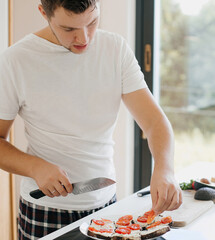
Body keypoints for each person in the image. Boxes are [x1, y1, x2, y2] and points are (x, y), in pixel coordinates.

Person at [0, 0, 182, 239]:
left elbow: (154, 122)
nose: (84, 38)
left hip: (107, 206)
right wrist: (35, 167)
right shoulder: (15, 61)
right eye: (69, 29)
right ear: (44, 13)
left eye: (92, 22)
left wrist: (165, 168)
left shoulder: (115, 49)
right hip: (44, 210)